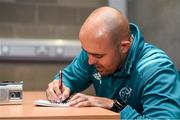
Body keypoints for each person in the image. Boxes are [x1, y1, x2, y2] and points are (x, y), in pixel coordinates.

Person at [46, 6, 180, 119]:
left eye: (97, 55)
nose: (90, 61)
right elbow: (69, 77)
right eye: (85, 51)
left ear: (124, 47)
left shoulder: (157, 70)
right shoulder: (93, 53)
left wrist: (114, 105)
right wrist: (60, 85)